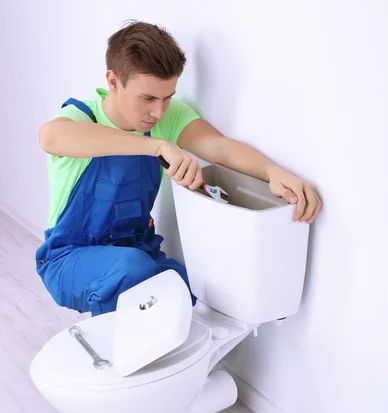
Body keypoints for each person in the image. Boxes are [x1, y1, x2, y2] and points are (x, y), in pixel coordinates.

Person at [37, 20, 322, 317]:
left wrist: (272, 173)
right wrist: (157, 146)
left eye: (167, 97)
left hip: (138, 252)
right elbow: (51, 136)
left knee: (186, 293)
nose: (158, 112)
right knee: (132, 272)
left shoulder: (165, 117)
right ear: (113, 81)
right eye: (147, 98)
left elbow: (219, 147)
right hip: (68, 257)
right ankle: (114, 355)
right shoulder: (83, 116)